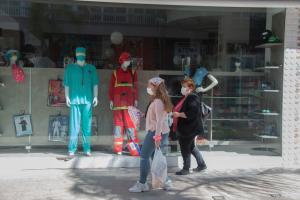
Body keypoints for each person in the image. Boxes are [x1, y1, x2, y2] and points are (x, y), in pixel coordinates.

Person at [129, 77, 173, 193]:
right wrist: (142, 114)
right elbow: (156, 117)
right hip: (159, 132)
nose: (148, 87)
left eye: (149, 85)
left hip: (156, 132)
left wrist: (157, 137)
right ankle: (166, 181)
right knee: (155, 157)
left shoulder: (158, 101)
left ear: (155, 86)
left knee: (144, 156)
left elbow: (159, 121)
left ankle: (142, 184)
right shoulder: (157, 100)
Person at [173, 78, 207, 175]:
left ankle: (186, 168)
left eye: (184, 87)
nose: (182, 88)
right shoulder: (187, 97)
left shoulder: (192, 97)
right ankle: (201, 165)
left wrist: (178, 115)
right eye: (182, 86)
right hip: (189, 128)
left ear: (190, 88)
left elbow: (191, 113)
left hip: (189, 129)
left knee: (185, 147)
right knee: (191, 147)